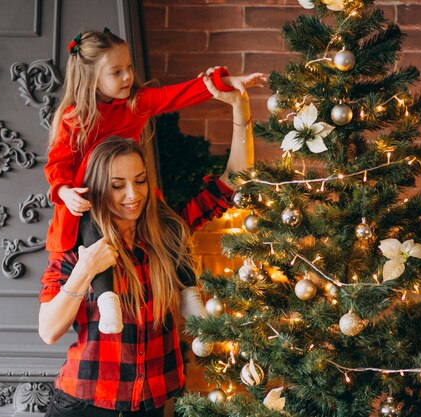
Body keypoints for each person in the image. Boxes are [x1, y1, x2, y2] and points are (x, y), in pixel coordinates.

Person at [38, 76, 255, 417]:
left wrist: (241, 111)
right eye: (117, 185)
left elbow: (232, 182)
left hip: (152, 405)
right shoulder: (75, 245)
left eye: (140, 181)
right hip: (85, 403)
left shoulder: (167, 232)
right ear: (97, 190)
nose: (132, 195)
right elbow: (49, 330)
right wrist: (85, 271)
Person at [44, 28, 265, 334]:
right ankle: (108, 299)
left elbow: (175, 95)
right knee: (95, 231)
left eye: (129, 68)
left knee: (171, 225)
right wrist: (65, 191)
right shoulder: (75, 119)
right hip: (87, 204)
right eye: (117, 72)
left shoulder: (135, 104)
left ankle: (188, 292)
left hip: (165, 378)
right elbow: (57, 163)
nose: (127, 77)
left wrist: (225, 85)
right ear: (91, 78)